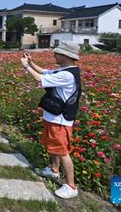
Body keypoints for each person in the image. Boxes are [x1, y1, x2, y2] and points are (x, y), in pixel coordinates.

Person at [20, 41, 82, 199]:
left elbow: (39, 79)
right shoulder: (65, 70)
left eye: (57, 53)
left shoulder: (67, 75)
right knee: (54, 147)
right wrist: (32, 62)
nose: (54, 55)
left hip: (60, 119)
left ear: (65, 56)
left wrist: (26, 67)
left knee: (62, 151)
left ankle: (71, 186)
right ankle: (54, 171)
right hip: (54, 116)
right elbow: (45, 72)